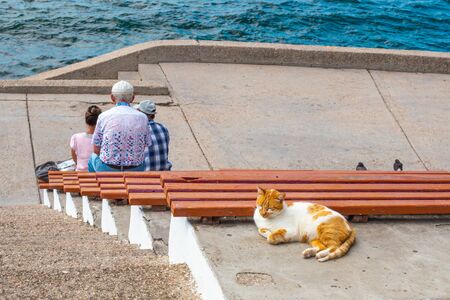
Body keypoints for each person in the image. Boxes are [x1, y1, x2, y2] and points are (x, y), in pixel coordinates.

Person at [88, 81, 151, 172]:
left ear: (112, 98)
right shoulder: (143, 117)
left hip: (108, 168)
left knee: (92, 158)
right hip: (135, 169)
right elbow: (145, 144)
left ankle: (95, 185)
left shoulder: (103, 116)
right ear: (133, 98)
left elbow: (96, 149)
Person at [134, 100, 172, 171]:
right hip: (164, 172)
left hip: (146, 174)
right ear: (153, 115)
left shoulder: (137, 130)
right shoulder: (163, 128)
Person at [70, 105, 102, 171]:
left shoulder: (75, 137)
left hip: (80, 174)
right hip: (96, 175)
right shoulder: (104, 139)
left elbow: (74, 158)